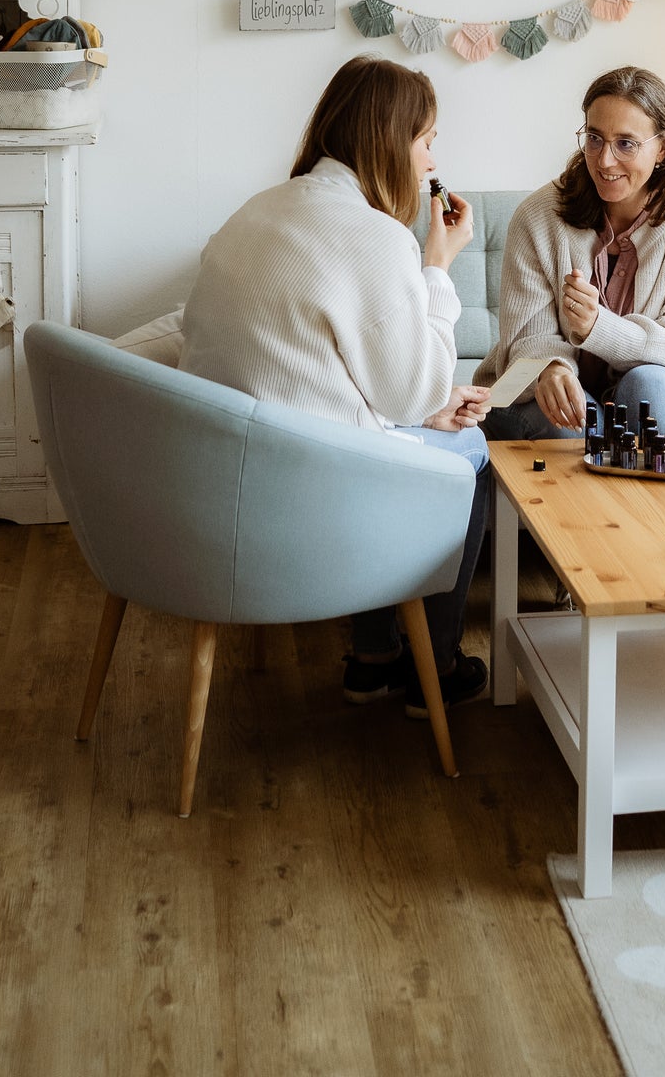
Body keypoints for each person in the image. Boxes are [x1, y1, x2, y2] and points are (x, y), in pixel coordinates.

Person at [181, 56, 489, 716]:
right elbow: (411, 392)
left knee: (427, 433)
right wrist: (437, 266)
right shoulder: (374, 238)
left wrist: (416, 413)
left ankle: (373, 657)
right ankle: (434, 666)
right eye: (427, 140)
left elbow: (311, 368)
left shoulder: (261, 209)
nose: (432, 162)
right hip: (309, 504)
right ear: (389, 139)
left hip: (222, 487)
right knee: (473, 458)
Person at [481, 66, 665, 442]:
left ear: (664, 148)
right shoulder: (537, 217)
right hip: (537, 386)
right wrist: (550, 368)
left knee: (647, 388)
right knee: (570, 421)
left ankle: (657, 502)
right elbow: (525, 339)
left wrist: (596, 328)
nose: (604, 161)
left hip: (658, 384)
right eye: (595, 139)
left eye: (626, 143)